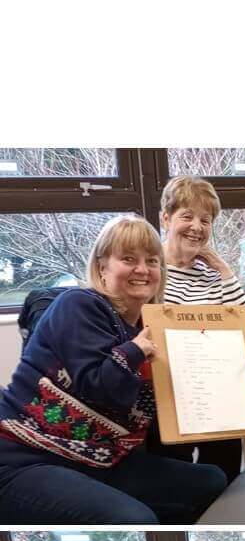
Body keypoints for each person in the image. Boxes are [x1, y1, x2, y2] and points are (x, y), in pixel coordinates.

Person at [0, 216, 228, 523]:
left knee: (212, 481)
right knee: (136, 520)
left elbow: (192, 389)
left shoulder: (153, 326)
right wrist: (135, 351)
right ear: (102, 267)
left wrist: (241, 362)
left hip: (103, 459)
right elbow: (103, 389)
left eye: (152, 261)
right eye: (128, 259)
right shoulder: (78, 305)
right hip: (29, 458)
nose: (143, 269)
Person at [158, 175, 245, 481]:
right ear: (166, 219)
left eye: (206, 220)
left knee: (224, 469)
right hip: (165, 391)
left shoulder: (213, 276)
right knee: (175, 475)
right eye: (187, 216)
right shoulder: (149, 268)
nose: (197, 227)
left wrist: (225, 271)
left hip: (214, 390)